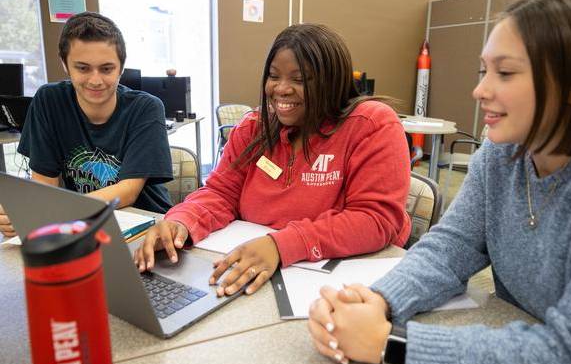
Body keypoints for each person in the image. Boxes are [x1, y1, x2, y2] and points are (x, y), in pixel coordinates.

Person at [308, 0, 571, 364]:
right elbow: (451, 248)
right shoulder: (500, 156)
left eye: (505, 73)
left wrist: (388, 345)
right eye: (484, 71)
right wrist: (379, 301)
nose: (480, 91)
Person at [135, 23, 412, 297]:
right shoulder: (254, 127)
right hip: (258, 273)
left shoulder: (372, 124)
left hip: (339, 284)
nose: (281, 89)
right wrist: (182, 222)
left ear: (333, 81)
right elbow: (221, 193)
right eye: (273, 76)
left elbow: (376, 219)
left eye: (299, 79)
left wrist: (280, 246)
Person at [0, 12, 173, 238]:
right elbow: (45, 187)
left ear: (121, 67)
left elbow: (128, 191)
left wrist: (50, 213)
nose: (95, 80)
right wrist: (25, 214)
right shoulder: (48, 100)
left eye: (106, 68)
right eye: (82, 68)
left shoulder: (146, 108)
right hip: (81, 225)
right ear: (65, 64)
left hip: (144, 225)